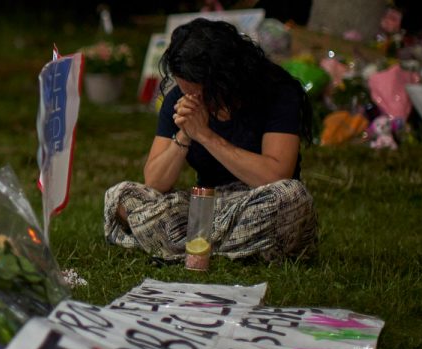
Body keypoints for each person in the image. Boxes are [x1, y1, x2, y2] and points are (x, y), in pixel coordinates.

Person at [104, 18, 317, 262]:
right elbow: (154, 182)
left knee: (292, 198)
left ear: (225, 78)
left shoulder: (277, 91)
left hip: (257, 203)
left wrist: (205, 136)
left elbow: (275, 175)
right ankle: (222, 248)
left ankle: (185, 247)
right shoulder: (179, 99)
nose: (190, 97)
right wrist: (185, 133)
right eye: (185, 90)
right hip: (205, 207)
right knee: (120, 197)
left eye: (198, 91)